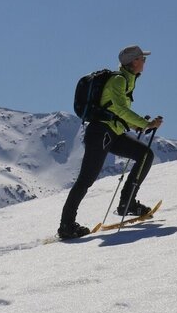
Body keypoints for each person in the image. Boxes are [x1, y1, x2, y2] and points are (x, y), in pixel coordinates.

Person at [58, 45, 163, 239]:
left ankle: (127, 204)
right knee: (86, 180)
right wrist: (145, 123)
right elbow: (121, 110)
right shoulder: (118, 80)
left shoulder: (127, 81)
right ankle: (66, 225)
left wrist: (135, 126)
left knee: (145, 155)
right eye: (143, 59)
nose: (145, 62)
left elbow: (115, 112)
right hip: (101, 134)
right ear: (134, 61)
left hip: (111, 133)